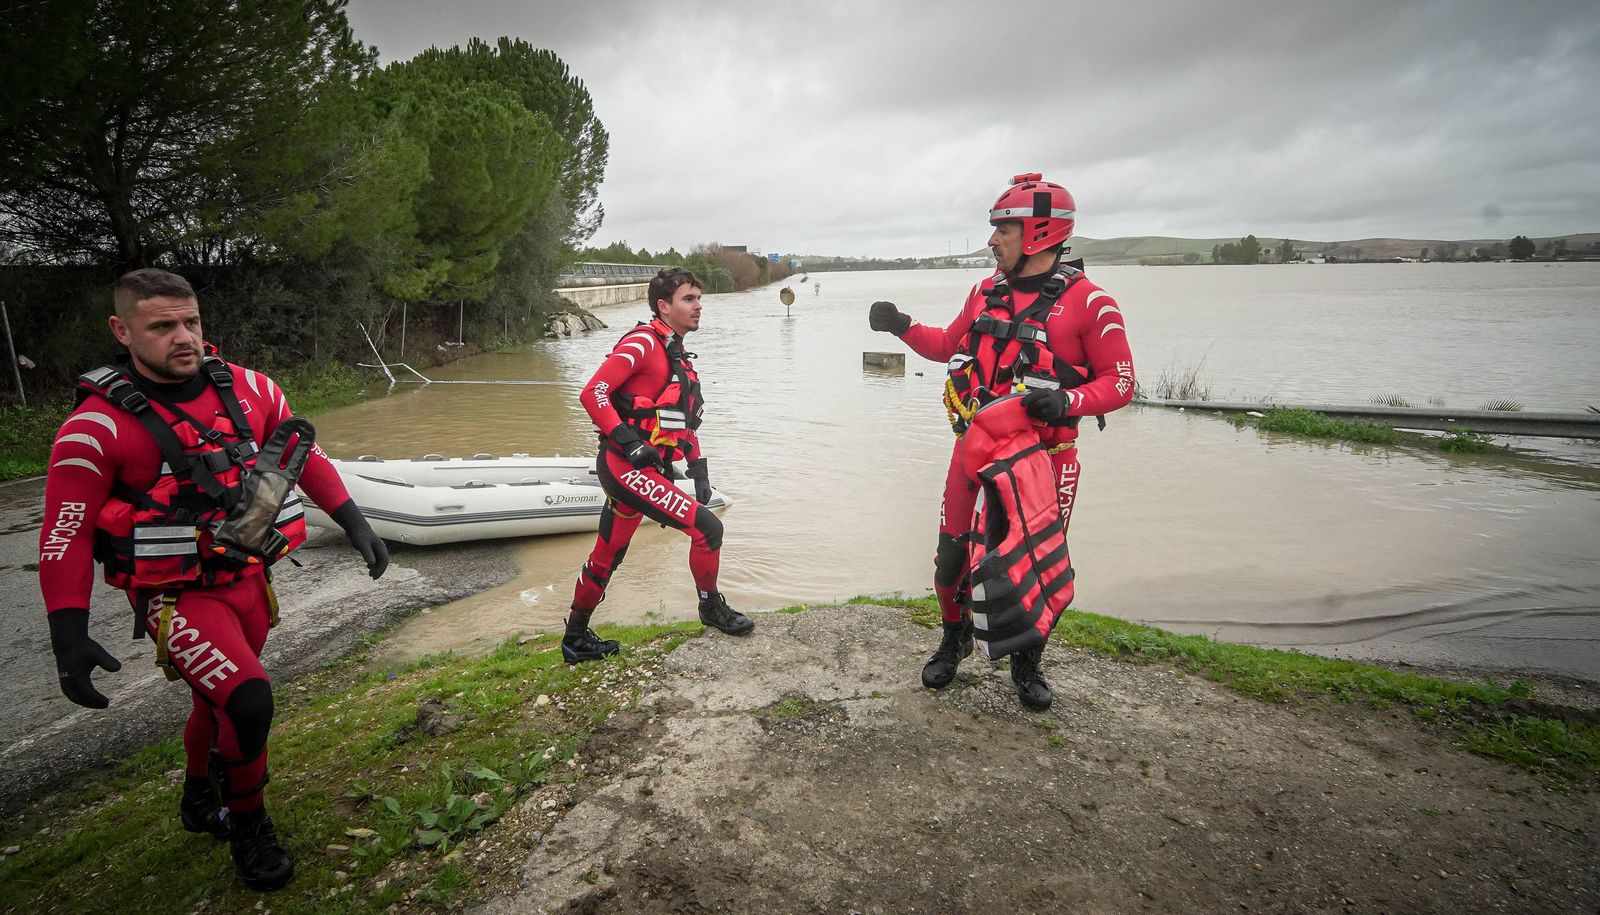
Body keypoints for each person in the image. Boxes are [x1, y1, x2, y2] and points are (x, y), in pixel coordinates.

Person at [37, 268, 389, 892]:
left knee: (216, 700)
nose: (184, 337)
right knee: (249, 699)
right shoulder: (94, 429)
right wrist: (69, 634)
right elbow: (64, 533)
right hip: (175, 598)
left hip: (250, 583)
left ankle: (199, 793)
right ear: (122, 331)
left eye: (191, 322)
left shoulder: (252, 389)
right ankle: (250, 825)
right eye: (162, 326)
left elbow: (304, 458)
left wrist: (354, 521)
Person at [868, 173, 1135, 711]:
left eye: (1003, 230)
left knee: (1033, 564)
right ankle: (955, 639)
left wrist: (1068, 400)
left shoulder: (1091, 304)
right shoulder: (983, 291)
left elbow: (1121, 382)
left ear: (1039, 232)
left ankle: (1027, 664)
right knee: (950, 558)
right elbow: (947, 345)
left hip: (1044, 460)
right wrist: (901, 325)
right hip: (974, 449)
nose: (992, 240)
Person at [564, 267, 752, 663]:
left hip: (646, 471)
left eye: (699, 299)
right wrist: (629, 442)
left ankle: (575, 639)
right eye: (689, 299)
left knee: (607, 555)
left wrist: (698, 471)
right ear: (664, 307)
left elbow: (681, 421)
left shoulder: (676, 354)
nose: (698, 306)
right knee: (708, 528)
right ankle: (710, 607)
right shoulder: (642, 343)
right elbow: (593, 393)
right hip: (625, 468)